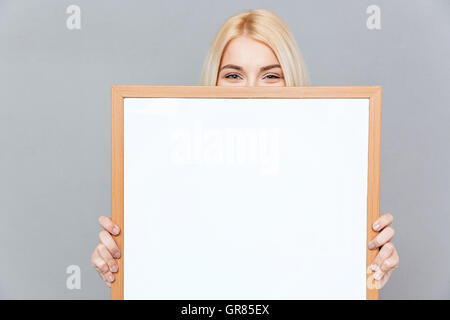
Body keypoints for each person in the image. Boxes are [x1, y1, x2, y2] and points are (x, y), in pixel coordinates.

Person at [91, 9, 399, 289]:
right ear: (214, 81)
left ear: (290, 79)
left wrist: (368, 266)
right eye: (233, 75)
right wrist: (124, 262)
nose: (251, 90)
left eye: (271, 76)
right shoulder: (171, 171)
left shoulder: (330, 174)